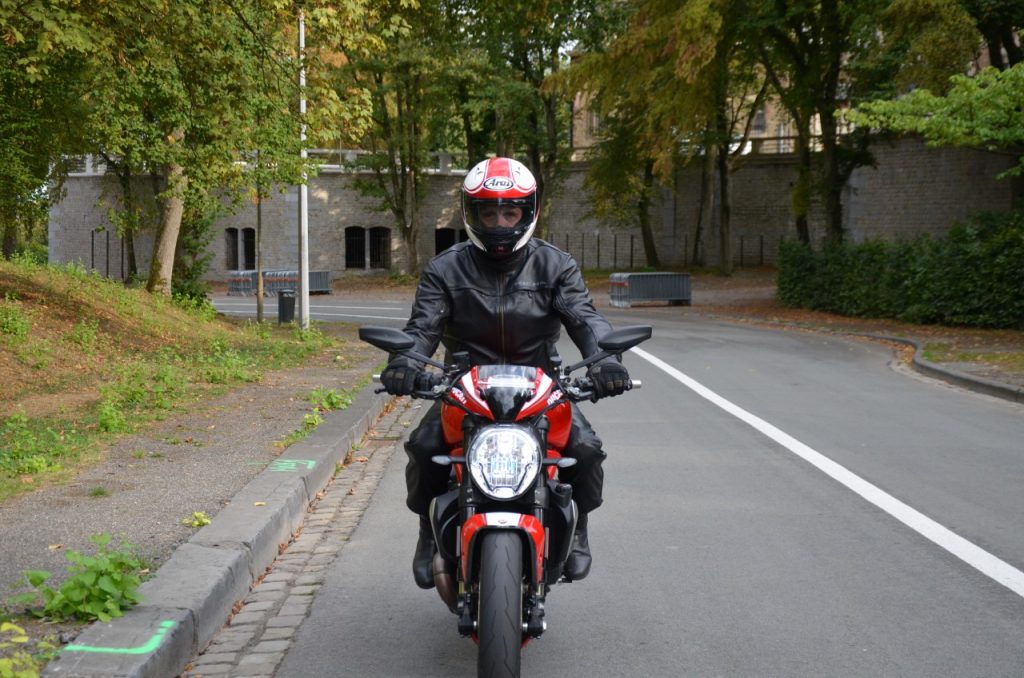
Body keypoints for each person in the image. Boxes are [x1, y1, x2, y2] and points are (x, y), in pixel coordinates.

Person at [379, 156, 631, 589]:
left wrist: (606, 360)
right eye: (489, 212)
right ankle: (428, 531)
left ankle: (579, 528)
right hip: (464, 387)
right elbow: (422, 328)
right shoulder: (445, 269)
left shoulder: (556, 266)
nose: (499, 222)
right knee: (423, 448)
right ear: (471, 213)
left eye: (509, 211)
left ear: (528, 212)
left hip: (540, 387)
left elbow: (585, 319)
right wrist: (405, 363)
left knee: (586, 450)